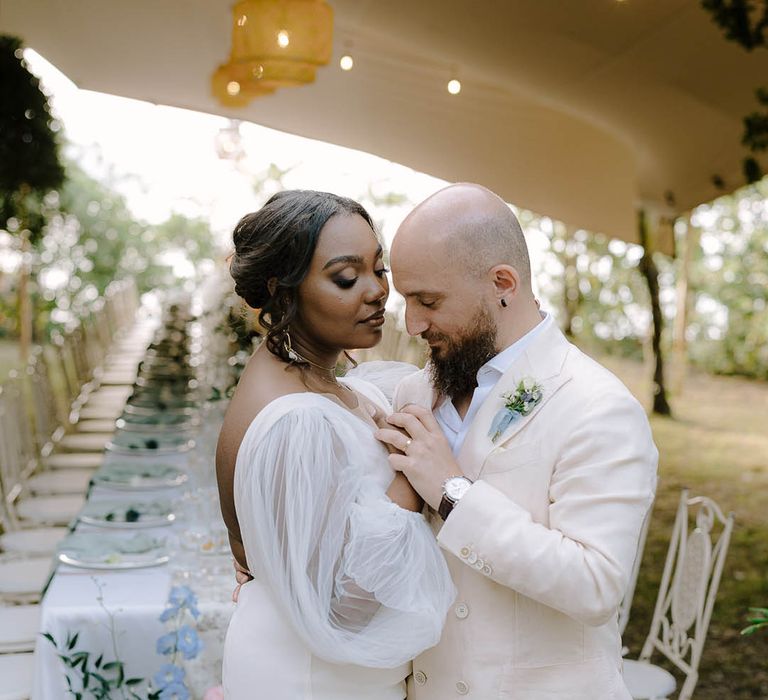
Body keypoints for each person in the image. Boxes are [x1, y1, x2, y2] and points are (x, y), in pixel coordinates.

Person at [375, 183, 658, 699]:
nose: (413, 323)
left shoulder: (597, 406)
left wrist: (452, 493)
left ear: (502, 282)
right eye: (406, 301)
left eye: (428, 300)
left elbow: (595, 583)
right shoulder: (413, 392)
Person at [216, 190, 455, 700]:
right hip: (311, 679)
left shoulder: (314, 381)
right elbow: (343, 606)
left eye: (379, 269)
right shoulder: (295, 422)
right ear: (284, 291)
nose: (377, 292)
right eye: (346, 278)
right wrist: (413, 480)